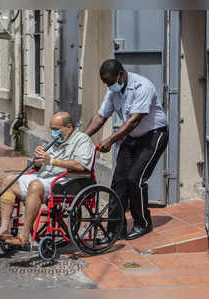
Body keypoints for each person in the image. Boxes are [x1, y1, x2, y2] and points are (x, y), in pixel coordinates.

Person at [0, 112, 95, 245]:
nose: (53, 133)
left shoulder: (83, 140)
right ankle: (4, 229)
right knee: (9, 180)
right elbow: (41, 164)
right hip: (45, 176)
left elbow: (81, 165)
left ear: (69, 127)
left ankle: (24, 237)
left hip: (67, 180)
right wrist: (38, 161)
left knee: (35, 185)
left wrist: (52, 161)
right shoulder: (57, 140)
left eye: (56, 129)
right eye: (51, 129)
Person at [84, 59, 169, 242]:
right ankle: (115, 230)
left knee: (135, 179)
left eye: (111, 82)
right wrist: (83, 137)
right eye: (106, 83)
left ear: (121, 74)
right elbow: (100, 117)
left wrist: (110, 140)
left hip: (154, 135)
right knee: (118, 182)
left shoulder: (142, 86)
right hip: (132, 137)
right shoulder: (113, 92)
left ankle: (143, 223)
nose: (109, 86)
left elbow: (134, 120)